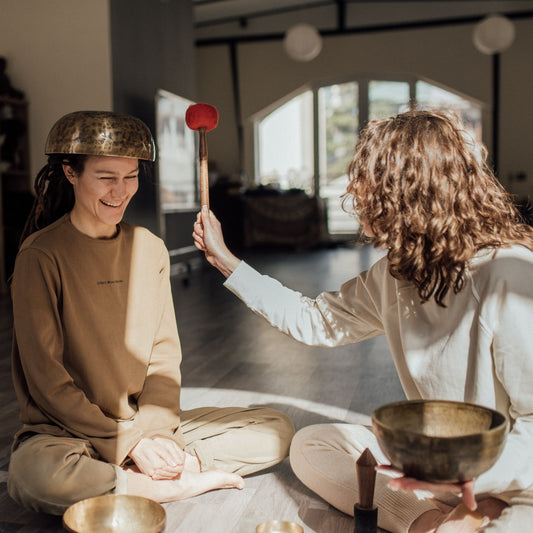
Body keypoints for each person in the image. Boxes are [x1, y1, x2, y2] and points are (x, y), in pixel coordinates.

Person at [193, 109, 533, 533]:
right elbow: (315, 319)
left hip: (516, 480)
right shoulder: (394, 274)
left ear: (407, 189)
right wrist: (227, 262)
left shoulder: (511, 273)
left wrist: (471, 480)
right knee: (312, 445)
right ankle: (431, 522)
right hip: (437, 472)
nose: (355, 191)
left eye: (367, 179)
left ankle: (471, 515)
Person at [7, 110, 294, 516]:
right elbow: (47, 382)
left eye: (131, 176)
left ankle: (134, 481)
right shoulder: (40, 255)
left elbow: (163, 357)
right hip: (68, 434)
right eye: (106, 177)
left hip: (145, 424)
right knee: (33, 475)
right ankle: (173, 484)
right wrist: (131, 444)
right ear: (70, 173)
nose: (121, 191)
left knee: (276, 430)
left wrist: (156, 435)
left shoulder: (150, 248)